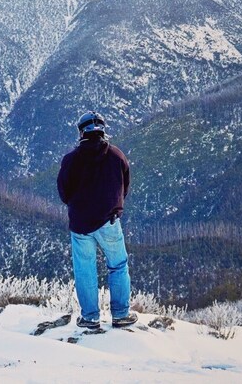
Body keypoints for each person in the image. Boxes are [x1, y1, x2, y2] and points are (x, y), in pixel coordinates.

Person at [56, 110, 137, 329]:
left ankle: (90, 318)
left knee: (85, 270)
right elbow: (125, 186)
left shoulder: (71, 160)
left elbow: (64, 193)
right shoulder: (117, 156)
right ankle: (120, 315)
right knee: (118, 265)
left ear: (81, 132)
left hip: (81, 223)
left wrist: (79, 205)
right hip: (109, 221)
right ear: (103, 129)